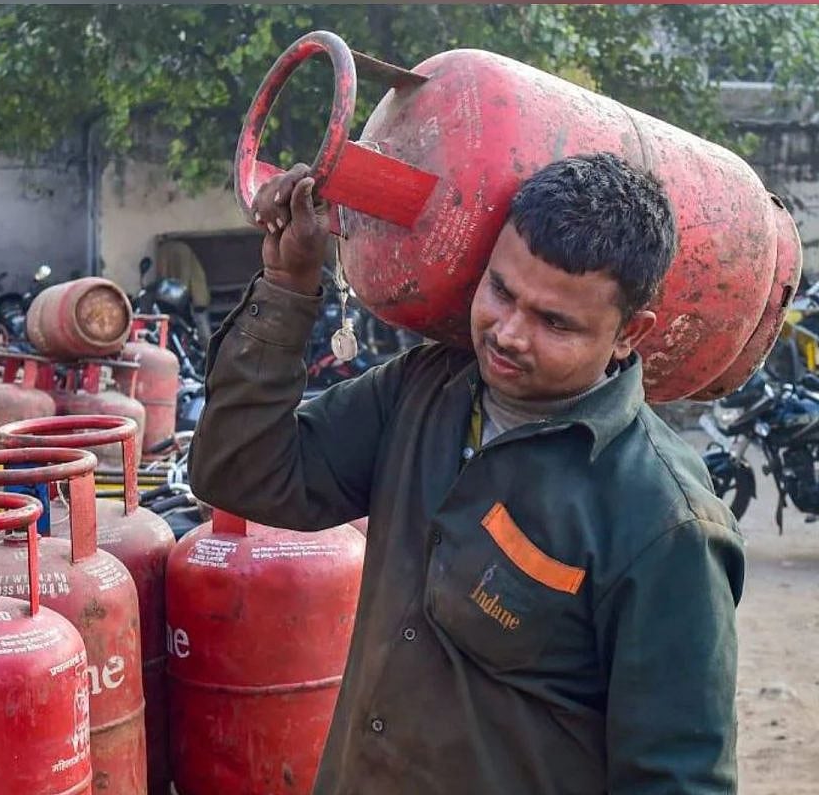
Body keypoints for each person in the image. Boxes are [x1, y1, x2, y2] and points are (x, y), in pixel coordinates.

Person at [188, 152, 744, 794]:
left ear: (629, 334)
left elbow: (677, 781)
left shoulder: (666, 525)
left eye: (554, 322)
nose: (508, 334)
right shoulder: (424, 391)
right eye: (501, 291)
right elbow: (240, 474)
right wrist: (288, 285)